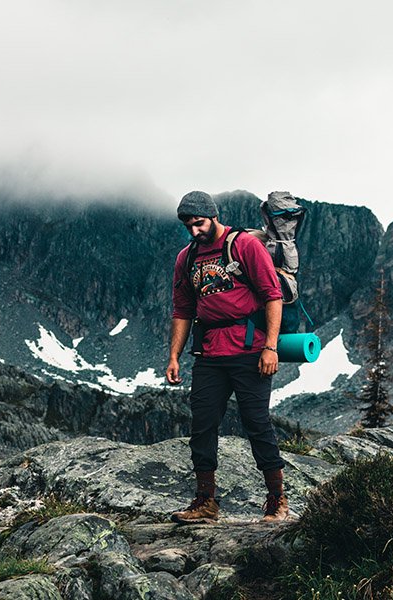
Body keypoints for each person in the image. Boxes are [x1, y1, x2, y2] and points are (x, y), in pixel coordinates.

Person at [166, 190, 288, 523]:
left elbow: (272, 296)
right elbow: (183, 310)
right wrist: (174, 356)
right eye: (188, 226)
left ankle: (277, 501)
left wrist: (271, 347)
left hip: (250, 350)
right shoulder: (186, 258)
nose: (194, 231)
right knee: (202, 425)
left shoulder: (245, 246)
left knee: (256, 422)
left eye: (199, 223)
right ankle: (205, 502)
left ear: (213, 215)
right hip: (208, 353)